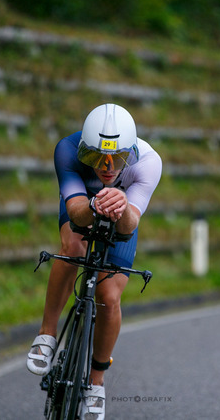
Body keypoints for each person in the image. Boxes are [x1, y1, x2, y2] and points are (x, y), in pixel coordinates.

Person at [27, 103, 162, 419]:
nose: (107, 166)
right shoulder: (67, 150)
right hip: (83, 204)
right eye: (97, 157)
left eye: (119, 158)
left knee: (109, 296)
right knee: (73, 247)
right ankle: (47, 334)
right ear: (84, 150)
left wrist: (121, 204)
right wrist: (94, 204)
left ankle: (96, 382)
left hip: (122, 212)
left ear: (131, 152)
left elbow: (129, 226)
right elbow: (75, 213)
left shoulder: (148, 162)